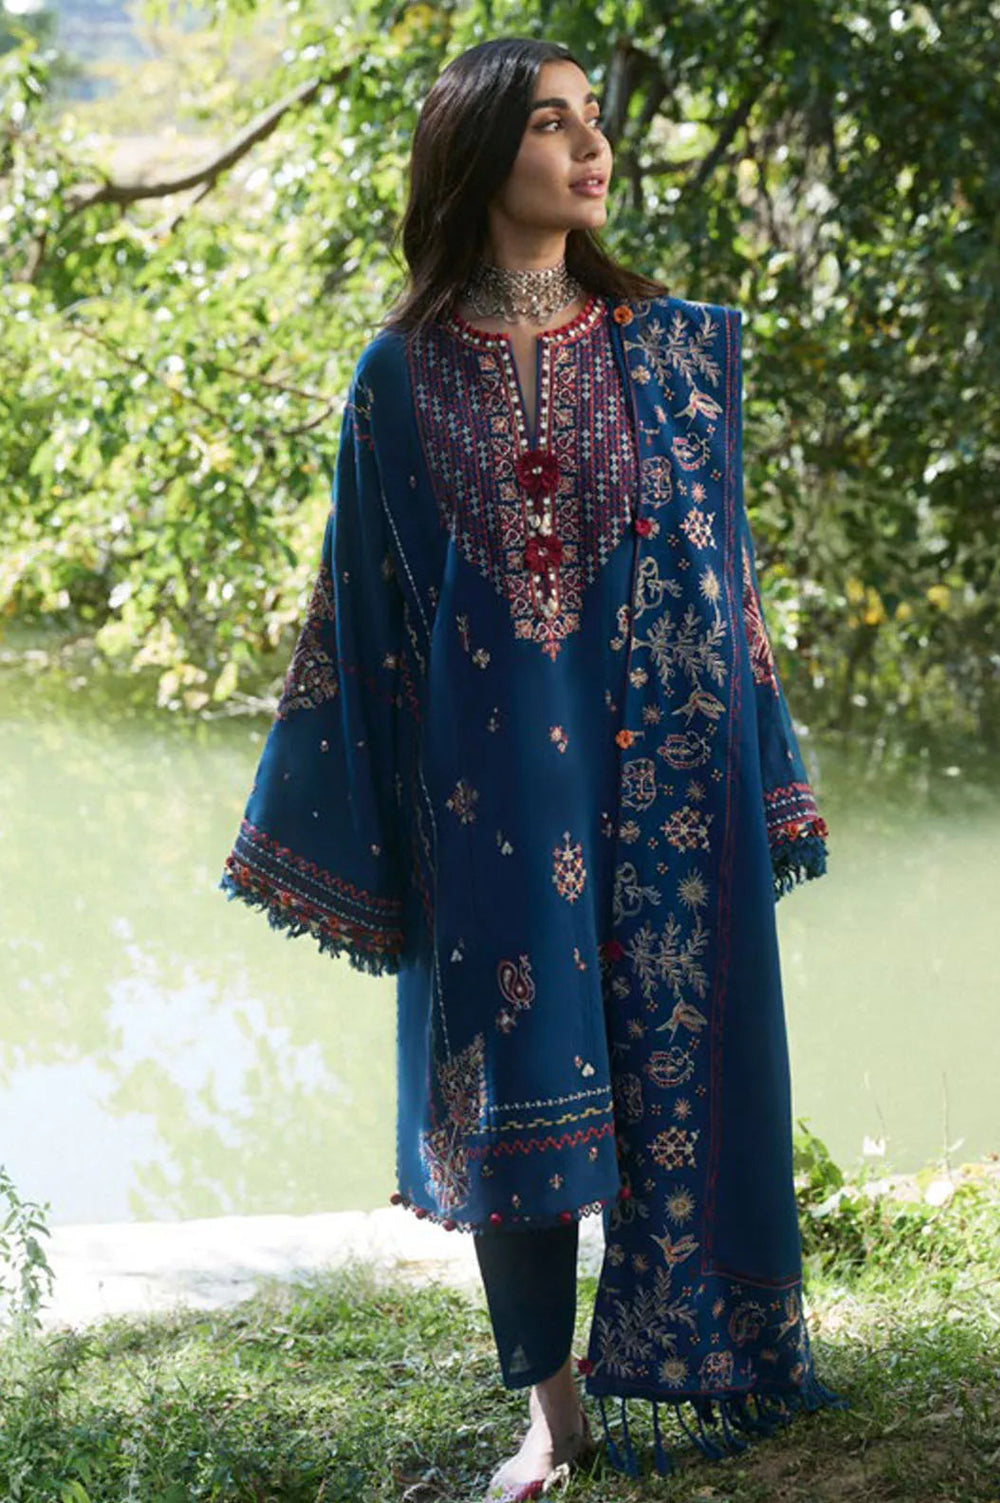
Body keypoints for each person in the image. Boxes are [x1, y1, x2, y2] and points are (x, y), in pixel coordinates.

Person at [220, 35, 849, 1502]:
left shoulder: (665, 354)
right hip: (489, 799)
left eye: (593, 120)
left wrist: (760, 773)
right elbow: (363, 615)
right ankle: (553, 1414)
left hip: (663, 784)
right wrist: (371, 834)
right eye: (551, 123)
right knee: (520, 1092)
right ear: (478, 153)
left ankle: (707, 1352)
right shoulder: (396, 378)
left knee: (679, 1053)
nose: (590, 145)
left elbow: (728, 588)